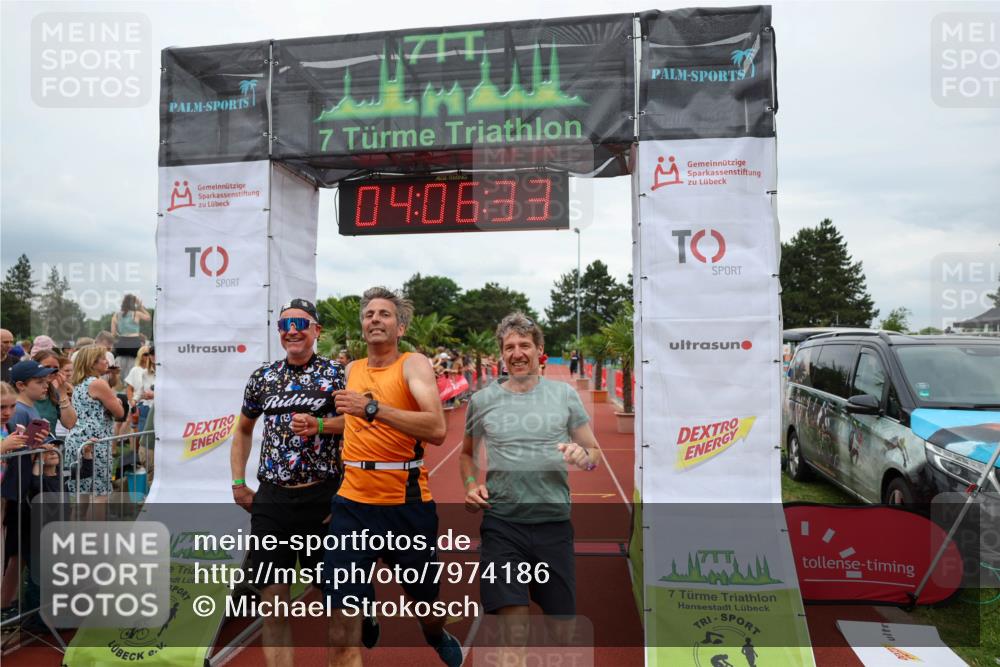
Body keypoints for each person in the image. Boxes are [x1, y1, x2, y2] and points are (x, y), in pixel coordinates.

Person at [325, 286, 461, 667]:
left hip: (406, 504)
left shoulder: (413, 364)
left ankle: (435, 633)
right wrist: (320, 424)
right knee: (340, 629)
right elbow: (353, 423)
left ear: (400, 327)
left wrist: (371, 407)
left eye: (384, 314)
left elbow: (435, 428)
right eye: (369, 315)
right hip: (352, 504)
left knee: (425, 603)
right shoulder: (351, 369)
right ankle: (361, 606)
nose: (375, 320)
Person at [460, 313, 602, 662]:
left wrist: (580, 455)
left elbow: (594, 455)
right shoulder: (482, 400)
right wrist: (470, 484)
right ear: (502, 355)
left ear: (540, 350)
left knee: (562, 631)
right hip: (502, 525)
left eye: (524, 345)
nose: (517, 352)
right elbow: (466, 455)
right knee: (513, 634)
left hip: (553, 524)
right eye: (509, 347)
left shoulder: (564, 395)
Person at [230, 299, 349, 667]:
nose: (292, 330)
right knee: (274, 602)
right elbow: (243, 430)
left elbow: (358, 427)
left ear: (317, 330)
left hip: (324, 498)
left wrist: (321, 425)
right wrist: (238, 482)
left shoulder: (337, 375)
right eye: (284, 325)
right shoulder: (263, 377)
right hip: (272, 500)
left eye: (300, 322)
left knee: (338, 600)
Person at [1, 362, 55, 614]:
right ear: (21, 384)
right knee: (13, 550)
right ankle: (6, 604)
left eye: (10, 407)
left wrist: (38, 448)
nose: (8, 412)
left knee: (17, 550)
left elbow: (22, 450)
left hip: (17, 492)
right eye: (3, 407)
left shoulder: (17, 417)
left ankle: (8, 603)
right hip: (13, 492)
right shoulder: (21, 412)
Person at [63, 345, 124, 500]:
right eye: (103, 358)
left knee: (83, 494)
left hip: (79, 441)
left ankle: (80, 524)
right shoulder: (97, 383)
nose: (107, 362)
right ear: (92, 363)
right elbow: (119, 413)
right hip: (96, 442)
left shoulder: (80, 383)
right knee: (99, 494)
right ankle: (95, 525)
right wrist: (117, 402)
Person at [31, 351, 77, 434]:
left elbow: (70, 423)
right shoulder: (26, 392)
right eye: (47, 367)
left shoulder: (54, 393)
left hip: (51, 444)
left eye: (55, 368)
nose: (51, 371)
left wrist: (62, 393)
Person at [111, 294, 151, 378]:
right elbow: (149, 318)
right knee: (135, 364)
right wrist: (140, 306)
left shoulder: (116, 315)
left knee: (119, 360)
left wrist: (121, 335)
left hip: (121, 342)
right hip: (134, 343)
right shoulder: (136, 313)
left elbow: (113, 333)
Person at [125, 345, 155, 432]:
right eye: (146, 354)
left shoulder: (161, 370)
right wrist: (133, 403)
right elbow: (131, 389)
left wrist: (154, 395)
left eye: (149, 354)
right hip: (143, 406)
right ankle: (133, 446)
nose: (149, 356)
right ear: (140, 355)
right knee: (138, 433)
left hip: (157, 407)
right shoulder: (138, 370)